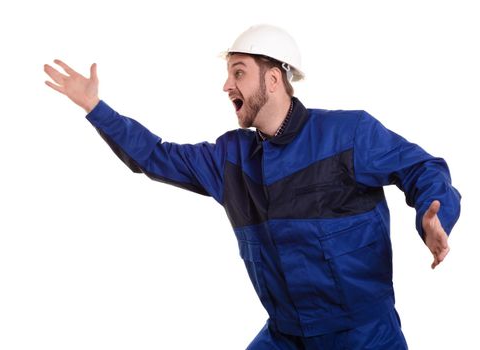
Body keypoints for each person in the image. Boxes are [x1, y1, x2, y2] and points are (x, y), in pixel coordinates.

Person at [44, 24, 461, 350]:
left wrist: (435, 218)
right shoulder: (229, 158)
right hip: (286, 335)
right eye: (228, 74)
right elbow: (154, 156)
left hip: (362, 336)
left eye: (238, 72)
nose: (227, 85)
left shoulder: (349, 134)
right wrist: (95, 109)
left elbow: (422, 169)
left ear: (275, 78)